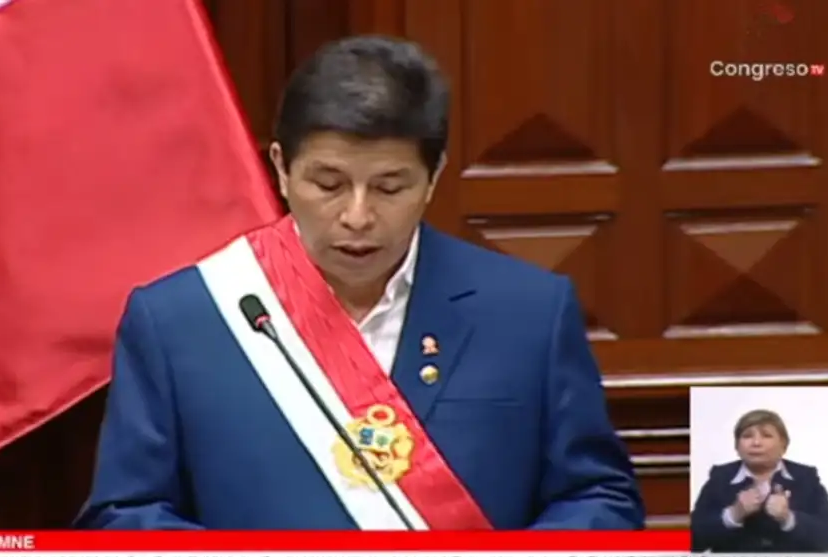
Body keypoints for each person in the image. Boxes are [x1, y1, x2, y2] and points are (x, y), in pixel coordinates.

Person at [75, 35, 644, 530]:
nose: (357, 216)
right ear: (281, 168)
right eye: (328, 184)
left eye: (390, 187)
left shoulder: (529, 313)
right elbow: (126, 515)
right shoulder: (180, 319)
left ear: (434, 177)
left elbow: (598, 498)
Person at [690, 409, 828, 552]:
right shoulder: (720, 478)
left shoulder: (806, 478)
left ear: (783, 444)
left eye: (766, 435)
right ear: (737, 446)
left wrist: (788, 518)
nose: (756, 443)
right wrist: (732, 515)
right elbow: (690, 541)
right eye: (747, 436)